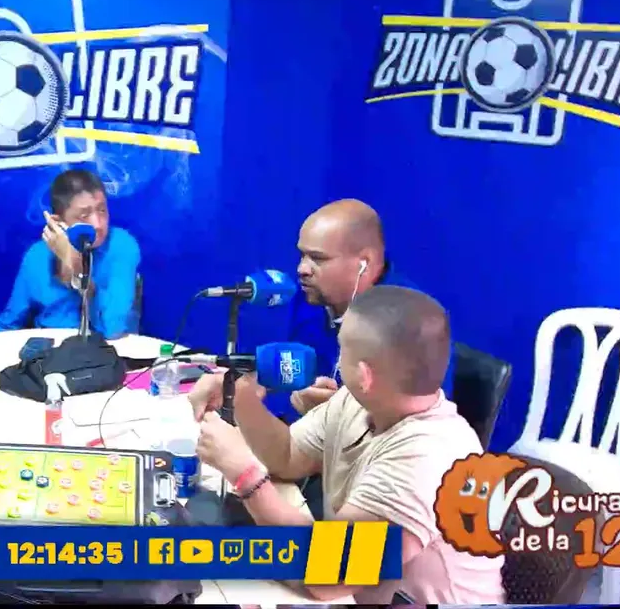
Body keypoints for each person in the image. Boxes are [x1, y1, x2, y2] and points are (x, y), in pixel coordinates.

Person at [190, 286, 505, 605]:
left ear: (365, 374)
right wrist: (242, 397)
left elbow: (326, 575)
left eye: (342, 350)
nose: (338, 362)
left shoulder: (426, 459)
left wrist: (245, 475)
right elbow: (288, 456)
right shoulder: (361, 401)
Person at [266, 199, 453, 421]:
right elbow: (289, 376)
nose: (302, 269)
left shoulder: (413, 323)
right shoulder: (308, 297)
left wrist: (335, 417)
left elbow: (416, 425)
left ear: (365, 263)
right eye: (302, 256)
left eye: (318, 258)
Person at [0, 169, 141, 338]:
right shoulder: (37, 256)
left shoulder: (121, 246)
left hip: (105, 347)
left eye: (102, 210)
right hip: (50, 348)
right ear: (58, 222)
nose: (98, 224)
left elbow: (113, 328)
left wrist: (77, 269)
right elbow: (8, 324)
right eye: (84, 215)